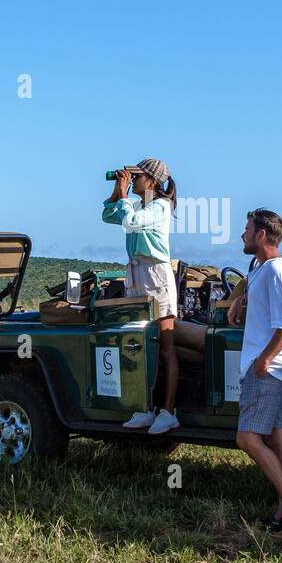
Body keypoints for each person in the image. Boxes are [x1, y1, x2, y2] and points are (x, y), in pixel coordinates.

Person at [228, 208, 282, 531]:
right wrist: (240, 298)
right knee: (279, 438)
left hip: (268, 369)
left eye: (247, 229)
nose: (243, 235)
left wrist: (263, 361)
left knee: (246, 438)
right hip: (275, 368)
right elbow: (256, 286)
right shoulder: (263, 269)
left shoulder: (278, 271)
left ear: (261, 235)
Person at [102, 158, 180, 435]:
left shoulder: (160, 206)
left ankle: (168, 411)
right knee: (142, 347)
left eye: (137, 176)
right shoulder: (139, 204)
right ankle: (144, 407)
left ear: (152, 180)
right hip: (137, 275)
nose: (132, 180)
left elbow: (132, 223)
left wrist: (123, 193)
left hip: (156, 277)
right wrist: (117, 191)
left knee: (165, 347)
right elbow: (109, 215)